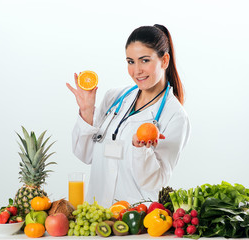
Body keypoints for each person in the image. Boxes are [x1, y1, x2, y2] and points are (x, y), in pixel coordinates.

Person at [66, 24, 190, 208]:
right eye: (130, 61)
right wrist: (86, 111)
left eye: (145, 60)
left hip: (135, 221)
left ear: (164, 61)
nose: (136, 70)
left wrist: (141, 149)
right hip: (97, 217)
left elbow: (155, 181)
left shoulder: (175, 116)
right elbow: (85, 155)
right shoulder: (114, 98)